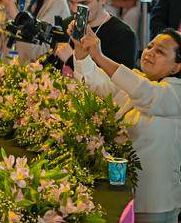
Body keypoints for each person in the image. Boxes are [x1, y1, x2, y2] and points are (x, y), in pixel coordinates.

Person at [73, 28, 181, 222]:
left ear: (176, 67)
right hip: (122, 192)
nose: (150, 52)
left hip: (155, 202)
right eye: (150, 46)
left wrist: (99, 56)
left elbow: (146, 94)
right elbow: (97, 84)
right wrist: (82, 54)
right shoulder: (136, 78)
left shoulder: (175, 93)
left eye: (161, 51)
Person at [59, 0, 138, 70]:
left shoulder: (123, 35)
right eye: (71, 1)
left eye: (83, 3)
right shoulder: (66, 24)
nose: (74, 9)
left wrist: (71, 60)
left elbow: (117, 83)